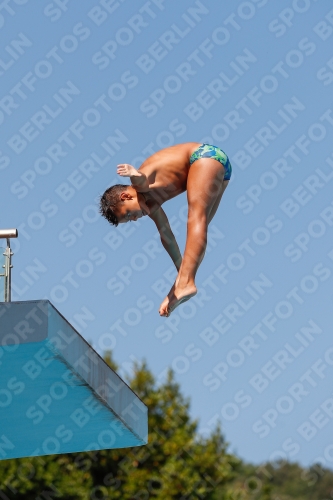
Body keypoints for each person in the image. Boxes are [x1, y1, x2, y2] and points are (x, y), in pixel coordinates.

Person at [99, 143, 232, 317]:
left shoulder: (138, 186)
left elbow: (141, 180)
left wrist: (134, 173)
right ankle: (183, 281)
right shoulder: (151, 205)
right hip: (222, 168)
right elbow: (167, 236)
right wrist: (180, 270)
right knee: (200, 225)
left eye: (129, 213)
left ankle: (186, 282)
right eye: (130, 220)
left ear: (126, 196)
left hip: (204, 156)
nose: (134, 218)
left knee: (195, 217)